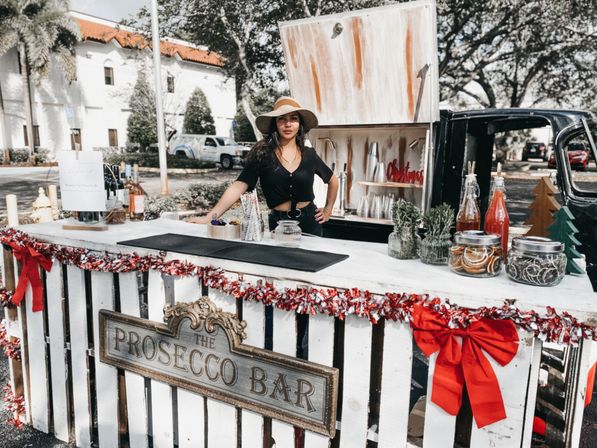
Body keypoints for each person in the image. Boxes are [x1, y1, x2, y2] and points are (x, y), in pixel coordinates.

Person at [191, 96, 338, 236]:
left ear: (299, 124)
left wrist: (328, 209)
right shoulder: (262, 154)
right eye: (282, 119)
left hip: (310, 222)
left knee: (313, 262)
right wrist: (210, 217)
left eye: (294, 119)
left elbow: (333, 180)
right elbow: (238, 186)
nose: (288, 124)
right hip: (279, 224)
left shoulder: (309, 154)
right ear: (275, 123)